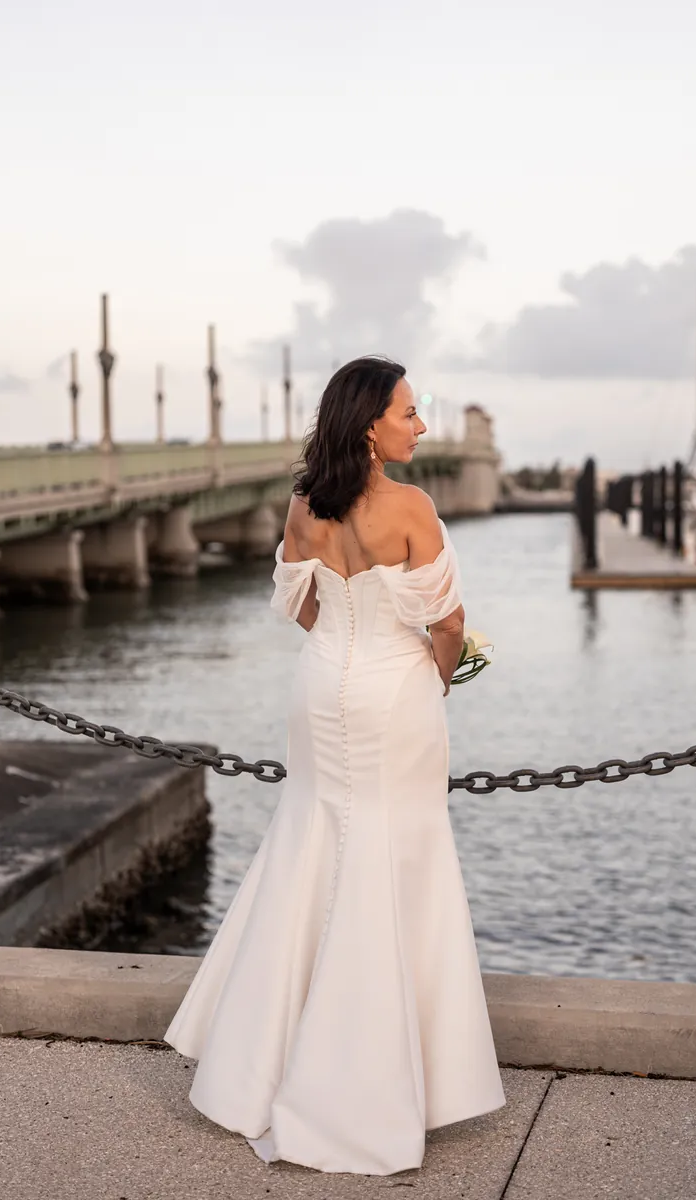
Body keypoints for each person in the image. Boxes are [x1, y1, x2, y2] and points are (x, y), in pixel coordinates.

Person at [163, 355, 506, 1175]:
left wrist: (349, 643)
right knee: (395, 858)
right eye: (410, 412)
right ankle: (371, 1080)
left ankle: (262, 1063)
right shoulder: (413, 506)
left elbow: (302, 602)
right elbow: (449, 623)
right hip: (397, 693)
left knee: (311, 846)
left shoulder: (304, 505)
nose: (421, 425)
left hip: (321, 689)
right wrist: (436, 675)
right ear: (370, 426)